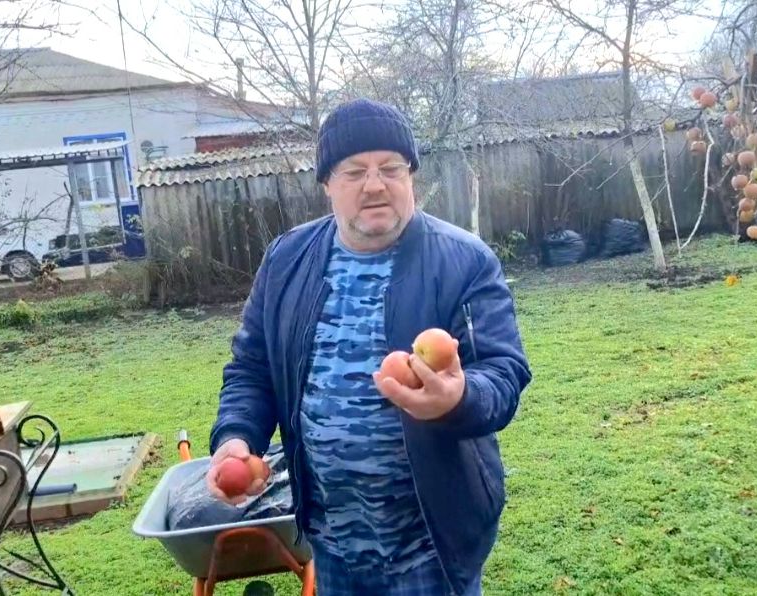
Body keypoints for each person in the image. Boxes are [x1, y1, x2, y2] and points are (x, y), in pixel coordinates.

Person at [206, 97, 532, 596]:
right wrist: (236, 436)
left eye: (391, 168)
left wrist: (458, 398)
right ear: (327, 183)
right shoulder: (287, 260)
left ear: (410, 177)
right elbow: (252, 369)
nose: (375, 184)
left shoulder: (464, 261)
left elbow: (504, 371)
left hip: (430, 546)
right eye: (355, 171)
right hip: (332, 541)